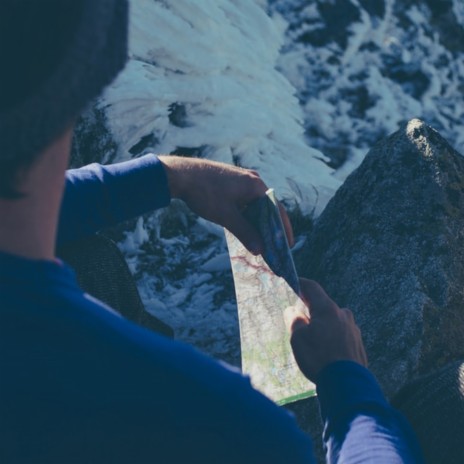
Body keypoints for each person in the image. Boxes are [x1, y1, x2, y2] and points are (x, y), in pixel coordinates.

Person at [0, 1, 423, 462]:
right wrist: (350, 388)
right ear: (90, 73)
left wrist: (169, 175)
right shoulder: (229, 426)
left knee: (91, 260)